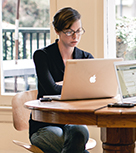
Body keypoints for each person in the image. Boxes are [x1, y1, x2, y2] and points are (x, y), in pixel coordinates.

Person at [30, 7, 93, 153]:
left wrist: (62, 86)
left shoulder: (86, 58)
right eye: (69, 32)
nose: (75, 37)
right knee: (61, 137)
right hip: (44, 124)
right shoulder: (42, 56)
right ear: (57, 31)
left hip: (73, 120)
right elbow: (51, 89)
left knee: (80, 131)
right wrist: (76, 87)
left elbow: (91, 91)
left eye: (78, 31)